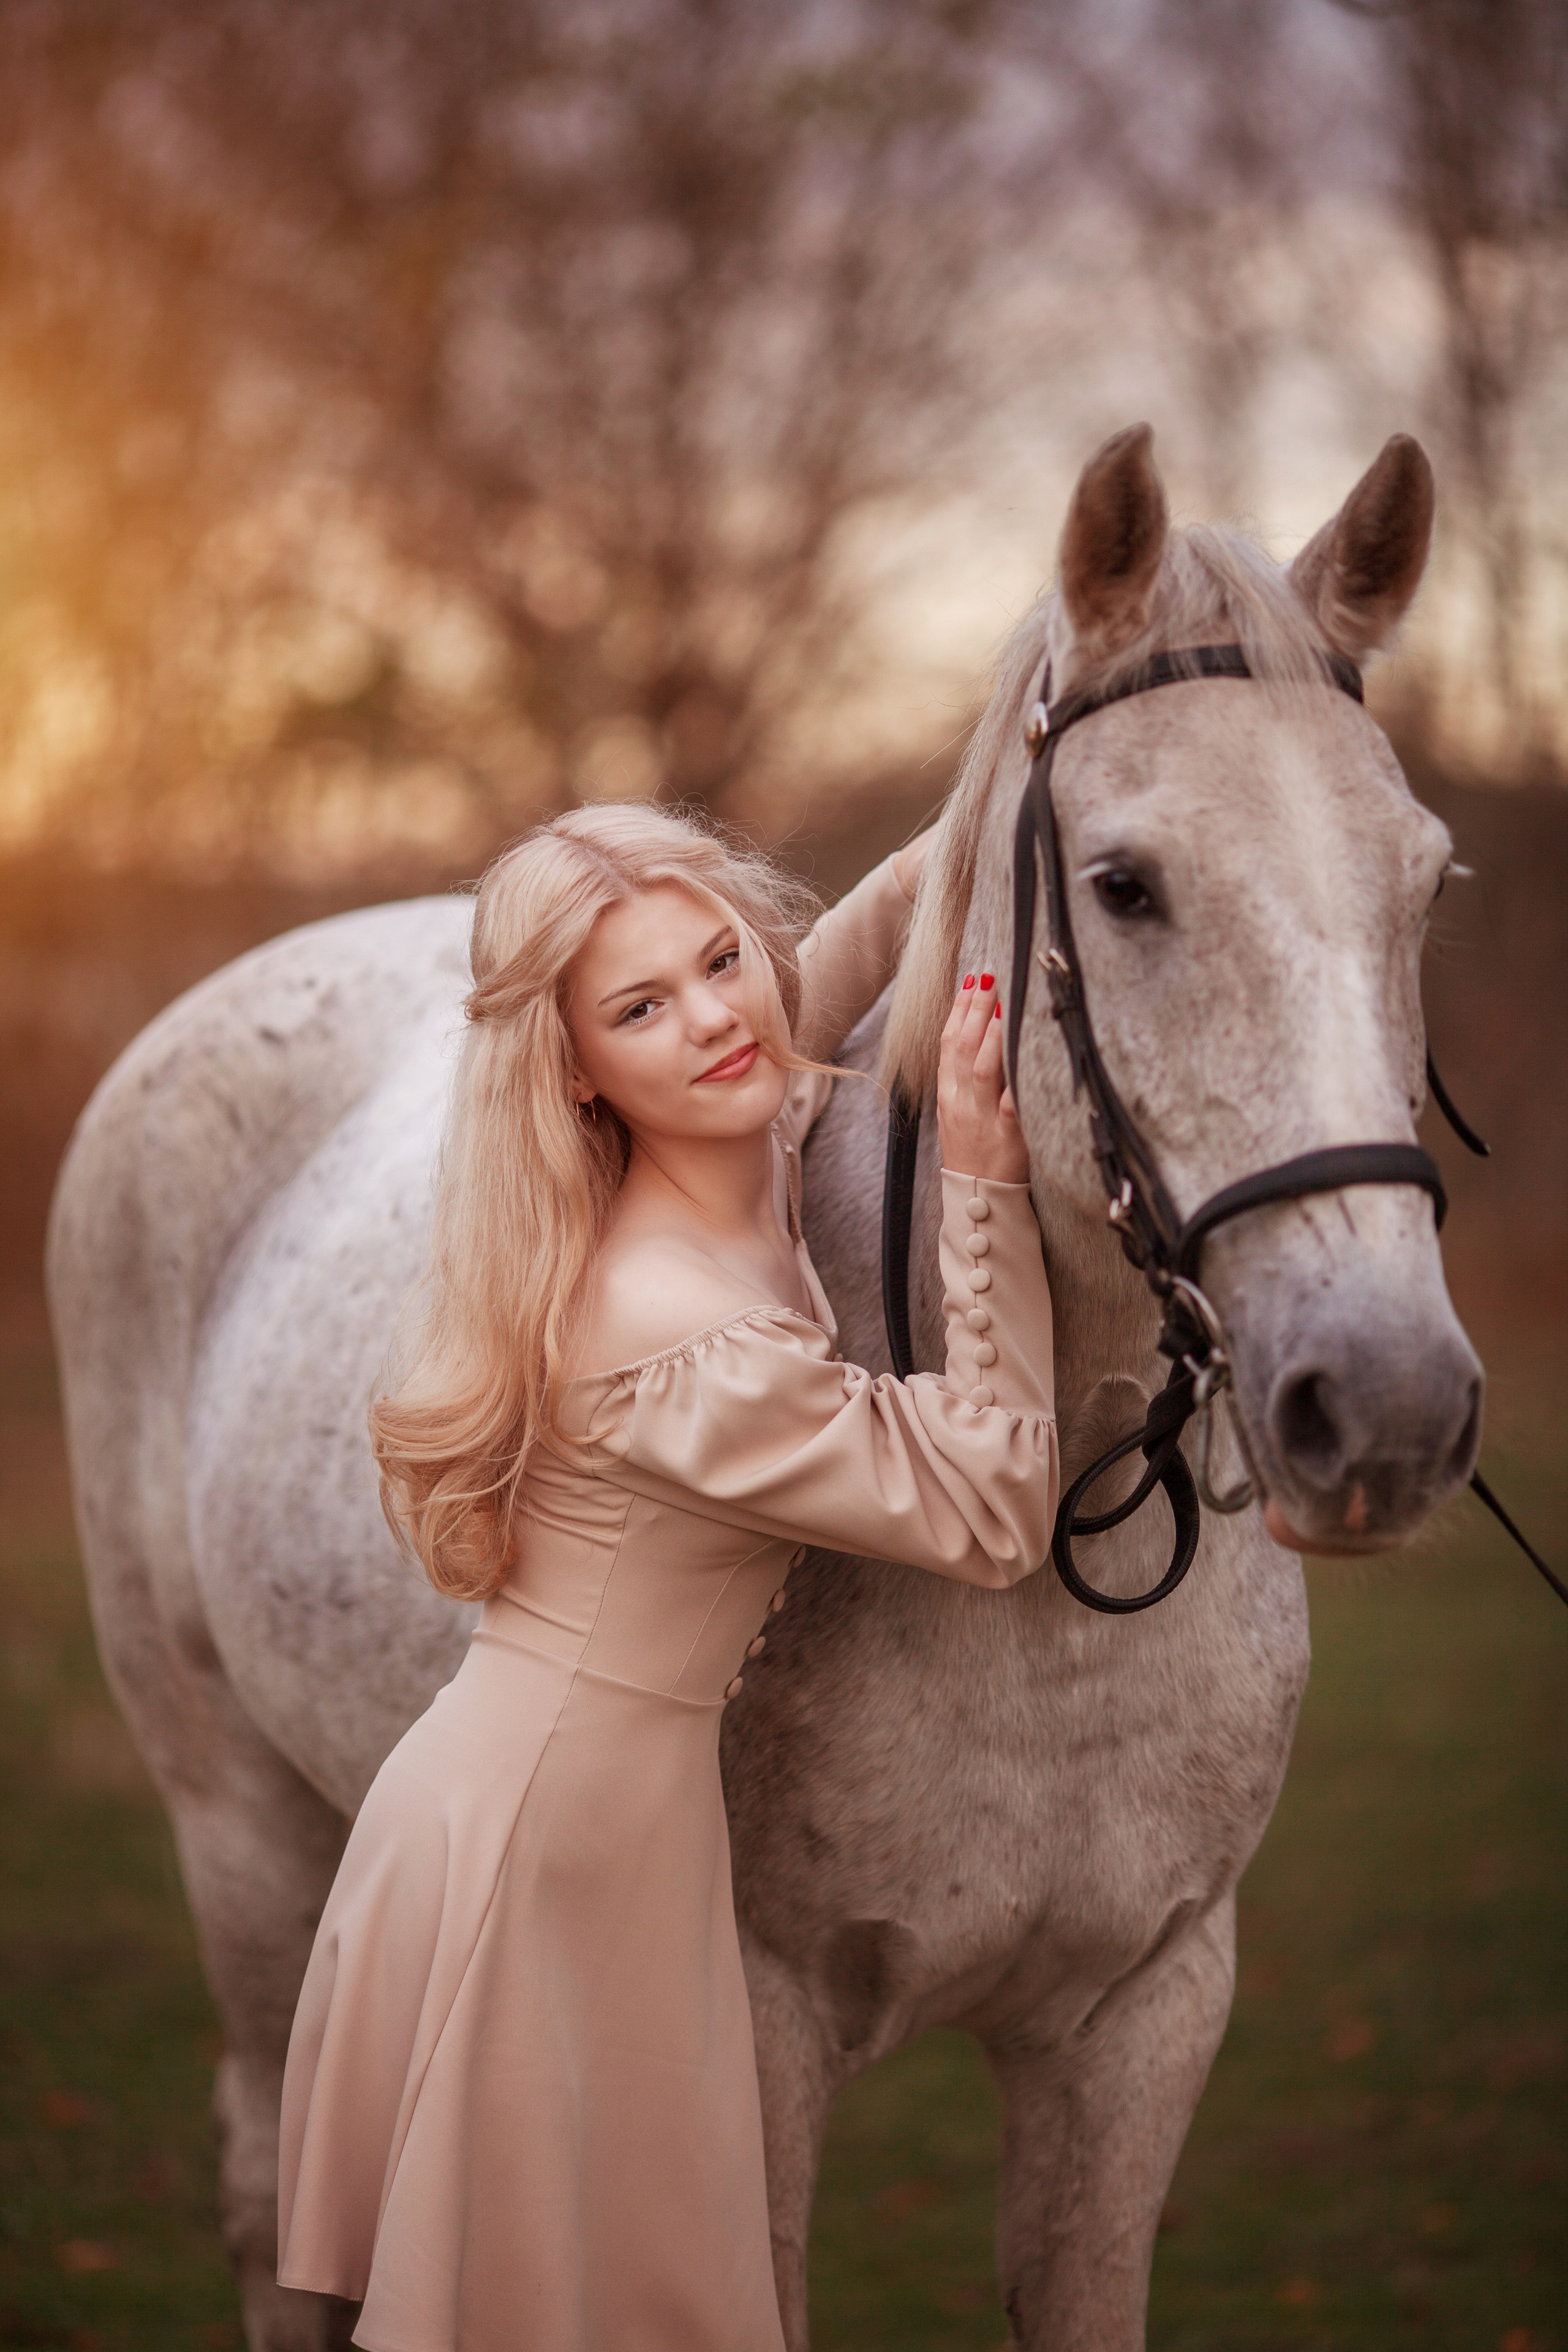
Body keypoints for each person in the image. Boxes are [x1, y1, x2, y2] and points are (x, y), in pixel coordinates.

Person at [276, 802, 1059, 2352]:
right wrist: (984, 1182)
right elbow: (993, 1506)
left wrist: (1000, 792)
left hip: (581, 1811)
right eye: (641, 1007)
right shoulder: (673, 1324)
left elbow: (827, 968)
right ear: (575, 1067)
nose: (713, 1018)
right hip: (545, 1855)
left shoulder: (722, 1135)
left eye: (720, 962)